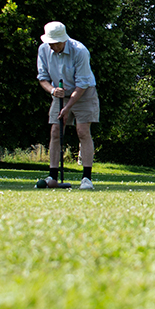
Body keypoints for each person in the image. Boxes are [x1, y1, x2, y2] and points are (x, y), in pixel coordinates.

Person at [36, 21, 99, 190]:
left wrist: (68, 107)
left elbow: (82, 83)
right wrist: (52, 91)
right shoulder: (43, 49)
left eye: (56, 43)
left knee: (83, 131)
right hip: (60, 94)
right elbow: (42, 77)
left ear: (64, 40)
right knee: (56, 131)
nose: (53, 46)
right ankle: (53, 176)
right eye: (51, 43)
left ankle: (86, 178)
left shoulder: (80, 51)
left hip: (84, 92)